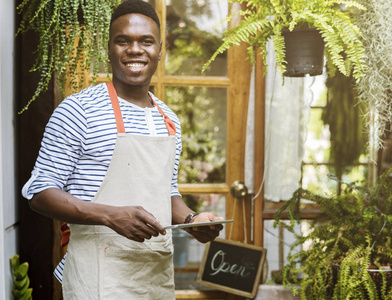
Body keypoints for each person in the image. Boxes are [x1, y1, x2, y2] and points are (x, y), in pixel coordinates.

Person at [21, 0, 224, 298]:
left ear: (159, 50)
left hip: (154, 273)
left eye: (146, 41)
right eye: (123, 41)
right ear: (109, 49)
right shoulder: (78, 110)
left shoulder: (168, 119)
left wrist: (192, 221)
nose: (135, 49)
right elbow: (39, 193)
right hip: (98, 274)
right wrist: (110, 215)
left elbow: (166, 191)